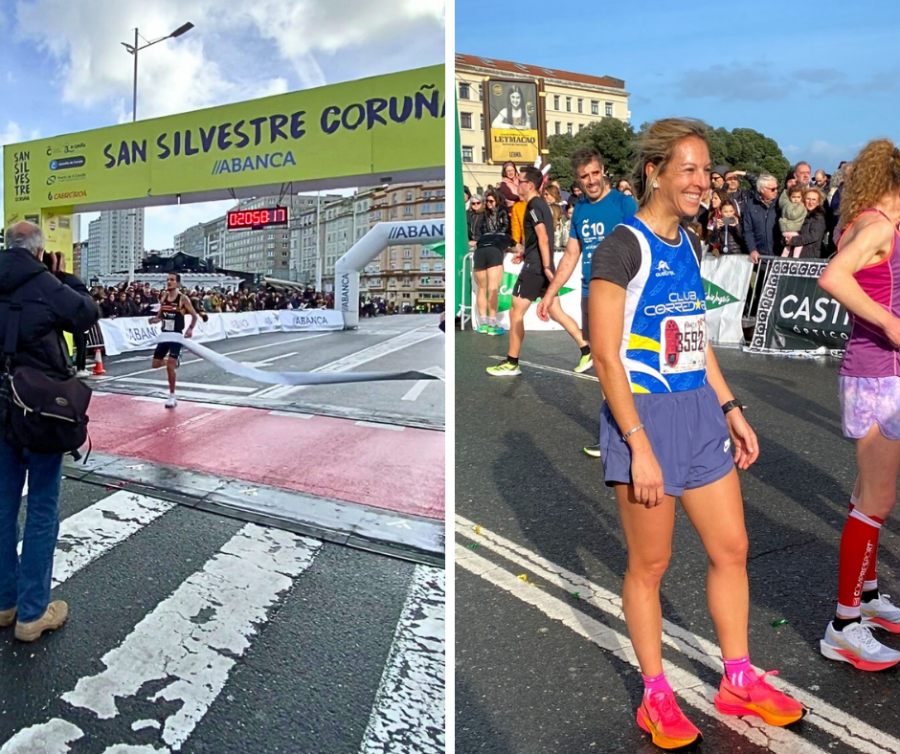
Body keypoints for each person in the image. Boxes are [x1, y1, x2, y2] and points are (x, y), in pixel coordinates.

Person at [589, 118, 804, 748]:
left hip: (700, 414)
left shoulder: (688, 243)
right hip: (644, 419)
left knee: (731, 548)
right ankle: (656, 695)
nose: (701, 181)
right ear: (654, 171)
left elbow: (695, 335)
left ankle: (737, 679)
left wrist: (731, 407)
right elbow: (605, 355)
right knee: (651, 566)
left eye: (705, 171)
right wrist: (638, 447)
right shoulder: (621, 247)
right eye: (688, 168)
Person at [816, 139, 900, 670]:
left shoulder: (869, 222)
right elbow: (832, 276)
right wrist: (890, 323)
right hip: (878, 376)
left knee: (867, 496)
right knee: (877, 502)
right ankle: (844, 624)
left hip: (872, 374)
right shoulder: (880, 227)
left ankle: (866, 598)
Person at [0, 222, 99, 642]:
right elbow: (86, 313)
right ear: (39, 252)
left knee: (2, 507)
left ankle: (5, 603)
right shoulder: (44, 281)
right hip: (39, 410)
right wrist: (61, 276)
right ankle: (33, 614)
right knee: (41, 506)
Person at [537, 147, 637, 456]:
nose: (591, 181)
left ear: (603, 170)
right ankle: (612, 433)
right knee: (604, 365)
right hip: (589, 295)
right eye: (584, 177)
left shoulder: (624, 203)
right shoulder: (579, 209)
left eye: (595, 173)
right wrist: (550, 293)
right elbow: (570, 256)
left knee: (628, 363)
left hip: (624, 293)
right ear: (577, 181)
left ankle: (636, 430)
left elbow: (642, 245)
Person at [487, 165, 591, 377]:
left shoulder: (534, 206)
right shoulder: (539, 205)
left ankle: (512, 362)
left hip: (535, 269)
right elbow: (538, 239)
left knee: (515, 312)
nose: (517, 184)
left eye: (520, 181)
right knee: (556, 312)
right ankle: (586, 350)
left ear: (530, 185)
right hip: (539, 264)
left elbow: (543, 237)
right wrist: (526, 252)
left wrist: (543, 266)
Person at [149, 272, 199, 408]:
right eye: (167, 280)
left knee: (170, 366)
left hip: (176, 335)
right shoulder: (164, 296)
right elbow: (160, 315)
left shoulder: (183, 299)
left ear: (177, 283)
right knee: (155, 364)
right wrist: (154, 320)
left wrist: (190, 329)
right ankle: (174, 362)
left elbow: (195, 316)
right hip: (164, 335)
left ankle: (172, 395)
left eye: (172, 280)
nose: (169, 282)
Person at [743, 173, 782, 262]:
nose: (776, 191)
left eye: (777, 188)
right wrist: (752, 250)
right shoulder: (751, 205)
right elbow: (748, 230)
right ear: (762, 190)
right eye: (772, 189)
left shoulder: (781, 203)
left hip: (780, 256)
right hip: (760, 257)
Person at [783, 187, 827, 258]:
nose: (810, 202)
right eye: (808, 199)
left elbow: (813, 236)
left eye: (814, 199)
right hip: (791, 255)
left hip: (808, 257)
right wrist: (785, 240)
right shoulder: (796, 214)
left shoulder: (818, 217)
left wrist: (793, 241)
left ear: (818, 202)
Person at [778, 185, 808, 254]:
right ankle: (795, 259)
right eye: (793, 197)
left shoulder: (789, 205)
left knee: (787, 248)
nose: (796, 199)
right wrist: (801, 206)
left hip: (787, 230)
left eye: (798, 197)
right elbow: (794, 215)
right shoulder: (791, 205)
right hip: (791, 230)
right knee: (799, 244)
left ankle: (783, 260)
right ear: (790, 197)